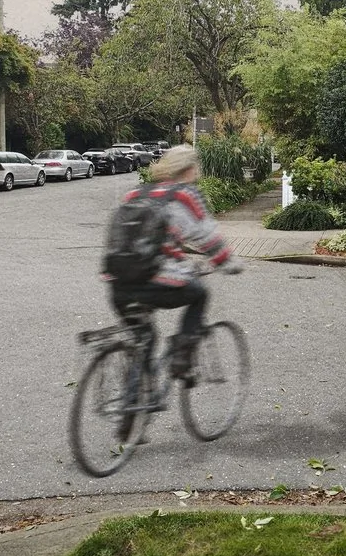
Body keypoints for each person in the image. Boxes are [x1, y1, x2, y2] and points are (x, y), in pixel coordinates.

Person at [100, 143, 241, 392]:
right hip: (157, 282)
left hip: (118, 283)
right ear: (188, 169)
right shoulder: (184, 194)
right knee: (200, 294)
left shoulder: (134, 194)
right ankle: (181, 359)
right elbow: (207, 237)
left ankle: (132, 407)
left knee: (144, 339)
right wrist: (226, 263)